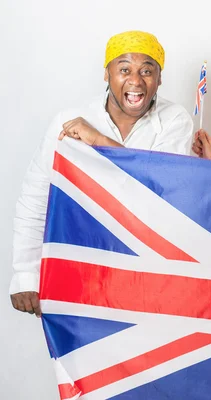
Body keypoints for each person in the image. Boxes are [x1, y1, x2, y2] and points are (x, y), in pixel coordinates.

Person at [10, 30, 194, 317]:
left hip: (150, 273)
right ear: (107, 74)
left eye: (147, 70)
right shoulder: (66, 120)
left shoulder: (175, 120)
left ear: (160, 79)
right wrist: (26, 274)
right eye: (124, 69)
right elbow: (37, 199)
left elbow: (155, 193)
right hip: (81, 266)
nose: (136, 81)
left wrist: (97, 140)